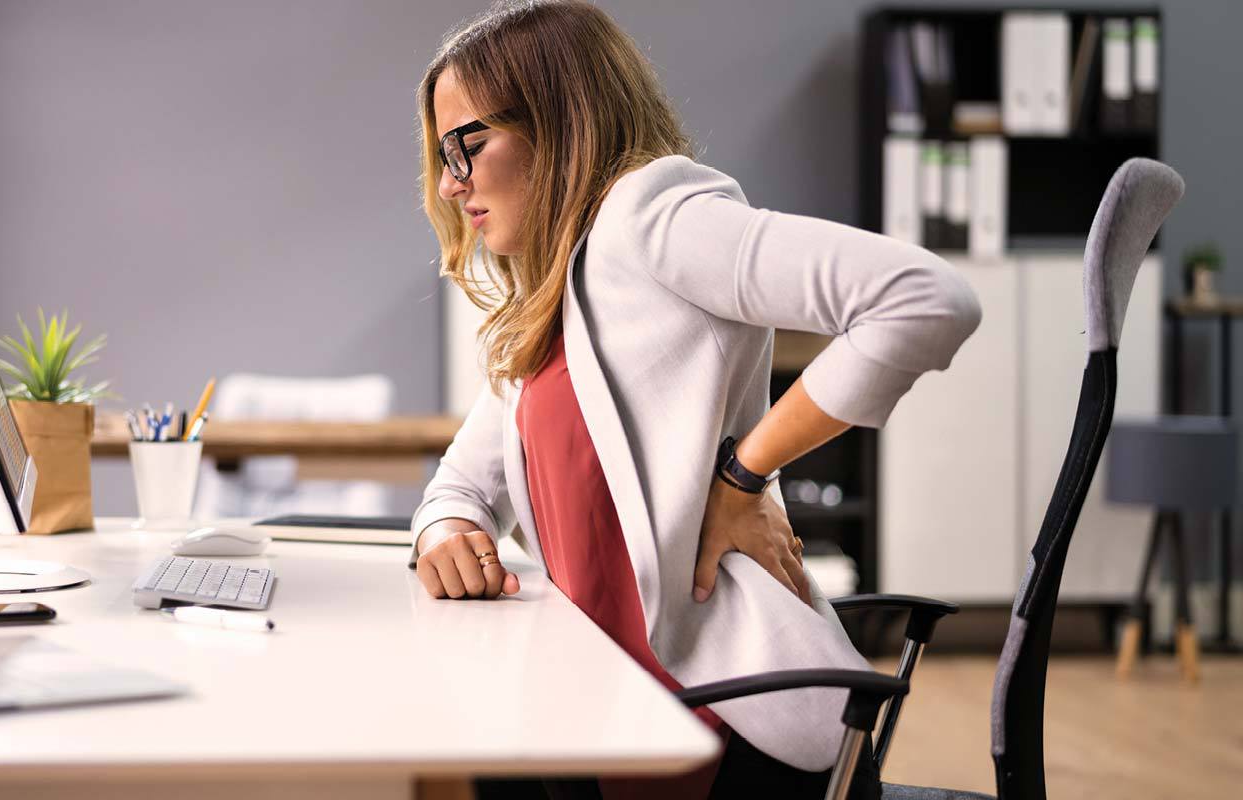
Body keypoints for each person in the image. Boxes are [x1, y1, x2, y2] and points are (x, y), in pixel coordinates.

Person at [409, 3, 981, 798]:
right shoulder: (551, 303)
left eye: (469, 142)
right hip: (614, 715)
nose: (449, 180)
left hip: (731, 729)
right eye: (443, 153)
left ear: (559, 119)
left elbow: (927, 297)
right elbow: (459, 488)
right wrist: (448, 532)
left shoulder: (651, 215)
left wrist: (743, 475)